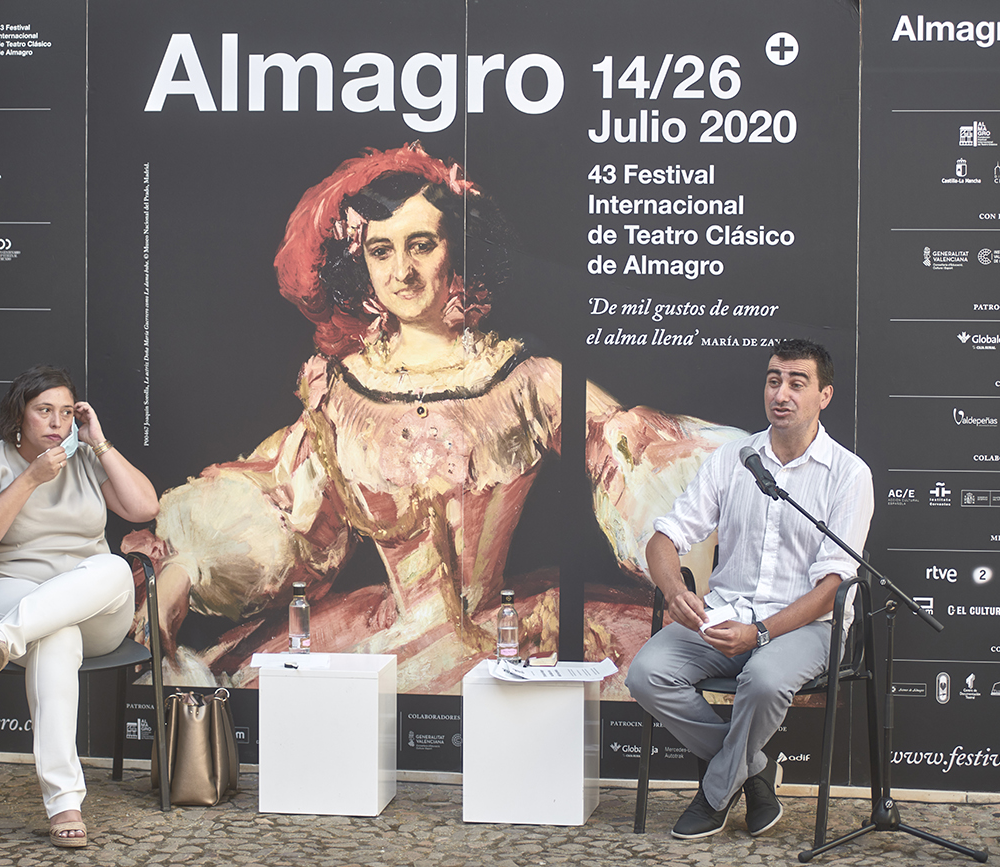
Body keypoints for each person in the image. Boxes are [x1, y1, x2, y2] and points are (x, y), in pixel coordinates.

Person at [122, 143, 743, 695]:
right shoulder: (341, 391)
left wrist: (719, 540)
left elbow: (631, 457)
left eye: (421, 244)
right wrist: (187, 567)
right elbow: (290, 515)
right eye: (381, 250)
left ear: (457, 251)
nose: (402, 272)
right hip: (380, 632)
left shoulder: (527, 379)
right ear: (360, 263)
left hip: (507, 631)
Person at [625, 339, 873, 839]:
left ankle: (716, 793)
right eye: (773, 380)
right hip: (726, 613)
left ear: (824, 396)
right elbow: (664, 537)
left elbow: (833, 585)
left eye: (797, 383)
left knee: (762, 680)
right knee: (647, 675)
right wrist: (674, 591)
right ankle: (755, 769)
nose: (781, 394)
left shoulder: (849, 474)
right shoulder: (732, 459)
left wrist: (759, 634)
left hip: (809, 625)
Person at [0, 365, 159, 848]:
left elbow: (144, 508)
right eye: (44, 410)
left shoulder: (83, 458)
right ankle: (64, 802)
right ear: (18, 416)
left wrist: (98, 441)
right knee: (56, 634)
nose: (57, 422)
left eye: (66, 412)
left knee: (113, 567)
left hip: (91, 607)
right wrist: (30, 479)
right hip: (6, 591)